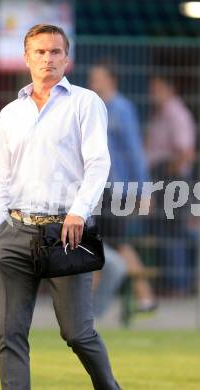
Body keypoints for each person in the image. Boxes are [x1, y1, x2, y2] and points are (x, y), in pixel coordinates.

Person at [0, 24, 121, 390]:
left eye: (55, 52)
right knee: (10, 334)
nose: (48, 58)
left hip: (66, 232)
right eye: (40, 52)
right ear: (27, 57)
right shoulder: (10, 113)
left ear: (67, 57)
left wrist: (79, 210)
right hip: (14, 232)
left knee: (77, 333)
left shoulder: (86, 102)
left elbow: (98, 163)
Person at [89, 60, 157, 313]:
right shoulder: (96, 108)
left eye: (97, 78)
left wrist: (144, 191)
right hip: (101, 189)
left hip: (116, 190)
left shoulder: (121, 109)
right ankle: (140, 297)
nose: (92, 83)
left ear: (111, 80)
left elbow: (134, 152)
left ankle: (145, 296)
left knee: (117, 244)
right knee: (102, 242)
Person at [146, 75, 196, 294]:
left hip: (171, 180)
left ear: (169, 88)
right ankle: (173, 282)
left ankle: (179, 285)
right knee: (165, 232)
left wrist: (167, 174)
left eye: (156, 87)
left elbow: (186, 153)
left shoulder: (176, 113)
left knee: (173, 233)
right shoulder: (161, 113)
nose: (152, 92)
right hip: (161, 179)